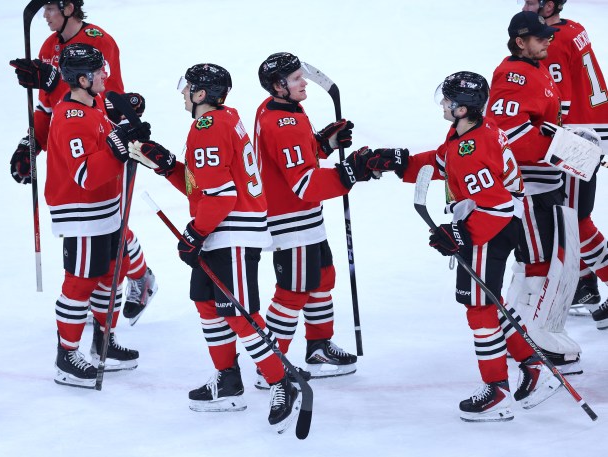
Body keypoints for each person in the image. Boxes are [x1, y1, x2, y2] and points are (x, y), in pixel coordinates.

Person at [126, 63, 320, 432]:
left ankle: (282, 382)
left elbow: (220, 197)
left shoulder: (207, 127)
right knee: (206, 303)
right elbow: (204, 186)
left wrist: (195, 233)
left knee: (238, 313)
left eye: (188, 90)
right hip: (223, 229)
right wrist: (166, 165)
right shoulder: (227, 118)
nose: (184, 95)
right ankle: (228, 382)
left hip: (229, 233)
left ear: (200, 95)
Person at [378, 71, 561, 421]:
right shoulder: (472, 133)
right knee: (490, 302)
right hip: (501, 223)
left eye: (448, 100)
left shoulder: (473, 148)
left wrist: (464, 235)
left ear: (463, 109)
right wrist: (402, 163)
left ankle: (497, 391)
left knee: (479, 308)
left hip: (492, 226)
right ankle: (533, 365)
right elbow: (446, 160)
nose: (444, 104)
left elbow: (496, 203)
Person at [9, 0, 156, 325]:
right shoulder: (49, 46)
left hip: (108, 143)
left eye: (50, 8)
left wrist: (54, 82)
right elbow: (49, 108)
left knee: (112, 228)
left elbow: (110, 105)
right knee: (100, 231)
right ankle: (111, 297)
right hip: (76, 147)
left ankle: (140, 277)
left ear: (69, 7)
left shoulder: (99, 41)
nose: (45, 16)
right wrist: (32, 143)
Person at [253, 52, 388, 384]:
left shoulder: (284, 109)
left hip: (306, 219)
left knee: (322, 278)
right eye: (297, 79)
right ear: (278, 85)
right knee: (293, 291)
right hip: (291, 221)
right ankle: (271, 364)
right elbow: (304, 184)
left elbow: (298, 159)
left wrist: (323, 144)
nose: (305, 83)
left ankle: (319, 346)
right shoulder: (281, 122)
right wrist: (350, 173)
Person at [486, 11, 599, 375]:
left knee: (543, 261)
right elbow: (509, 136)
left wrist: (568, 139)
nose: (548, 40)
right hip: (529, 188)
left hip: (545, 183)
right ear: (520, 41)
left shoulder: (537, 70)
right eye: (539, 37)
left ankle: (519, 334)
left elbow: (543, 125)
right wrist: (565, 148)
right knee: (539, 263)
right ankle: (532, 339)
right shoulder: (513, 75)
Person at [47, 43, 149, 388]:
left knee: (109, 277)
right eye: (99, 71)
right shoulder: (70, 118)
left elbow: (107, 135)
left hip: (105, 211)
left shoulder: (92, 105)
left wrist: (124, 123)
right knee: (80, 284)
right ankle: (67, 356)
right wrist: (120, 145)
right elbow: (86, 176)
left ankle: (103, 344)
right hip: (83, 214)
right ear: (81, 78)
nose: (106, 74)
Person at [520, 0, 608, 327]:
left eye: (533, 0)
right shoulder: (573, 28)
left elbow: (560, 102)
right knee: (572, 216)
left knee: (572, 219)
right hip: (593, 130)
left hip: (578, 137)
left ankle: (587, 282)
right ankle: (586, 285)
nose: (527, 5)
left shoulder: (550, 43)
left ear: (552, 3)